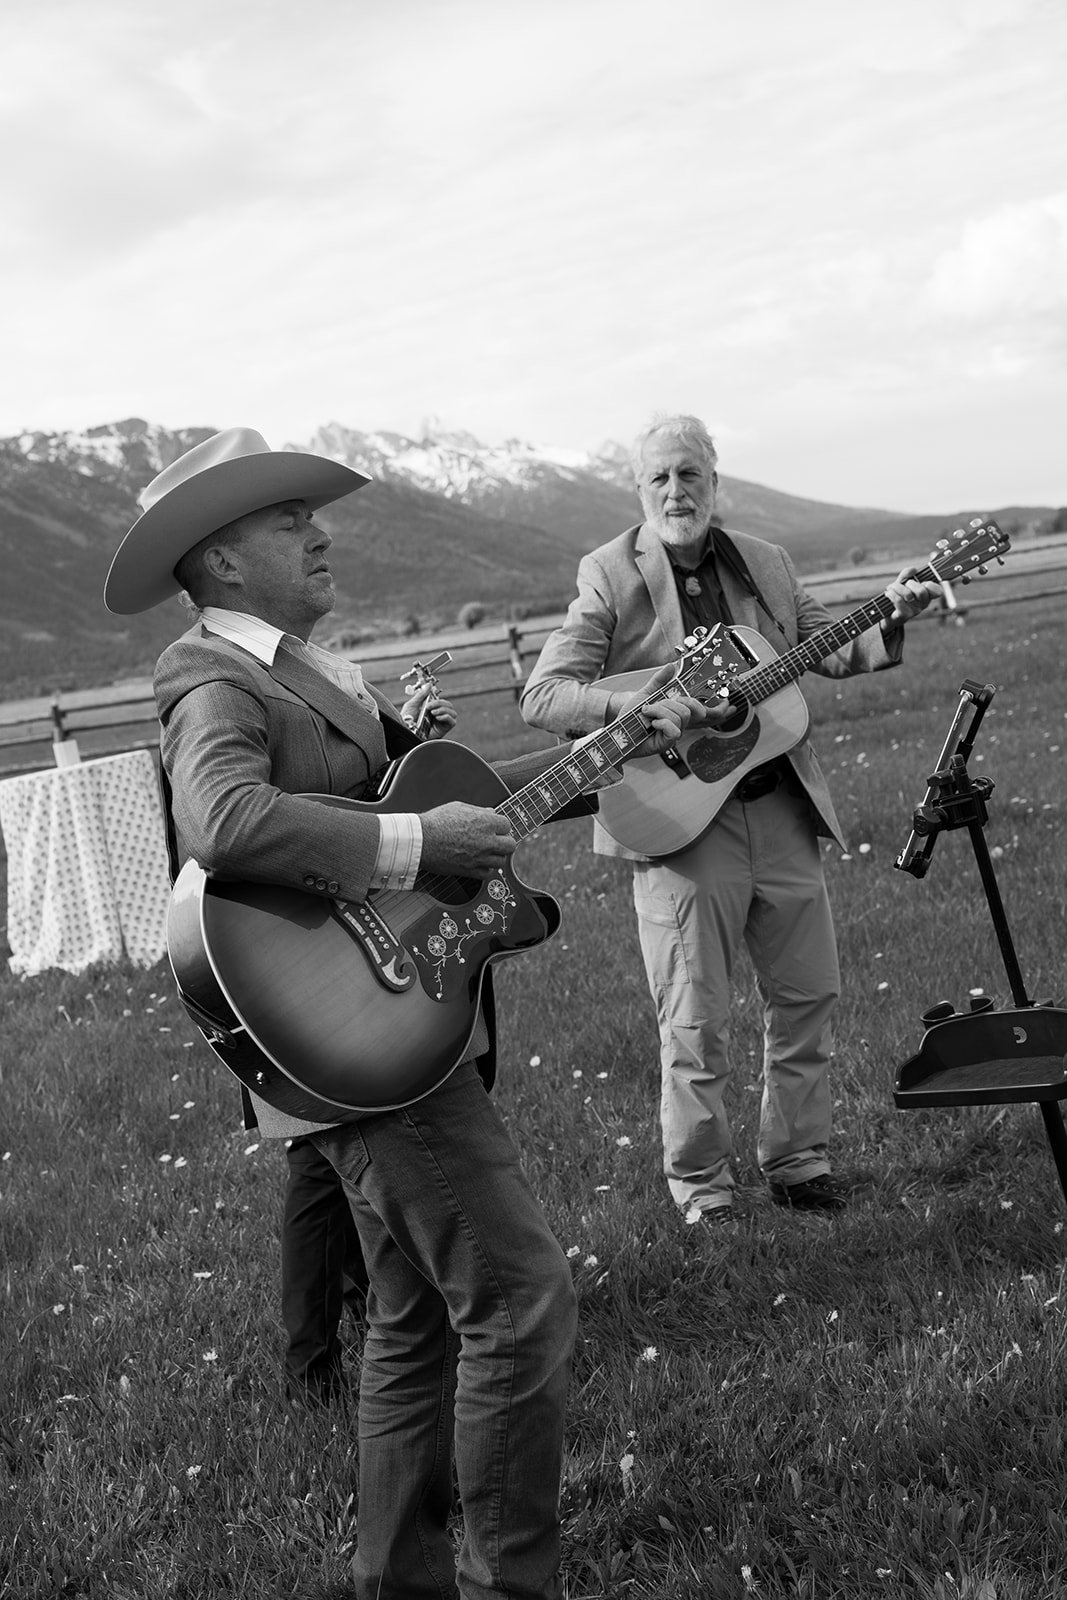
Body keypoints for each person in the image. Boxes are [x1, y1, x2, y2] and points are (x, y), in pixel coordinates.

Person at [102, 426, 701, 1600]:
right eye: (288, 521)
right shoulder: (210, 674)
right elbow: (221, 818)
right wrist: (415, 840)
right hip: (363, 1045)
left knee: (415, 1321)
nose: (318, 534)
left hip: (401, 1019)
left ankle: (401, 1582)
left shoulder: (306, 668)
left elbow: (440, 810)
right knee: (522, 1299)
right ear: (221, 560)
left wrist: (621, 740)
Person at [520, 413, 941, 1226]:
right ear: (639, 489)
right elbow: (544, 696)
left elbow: (831, 648)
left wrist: (893, 611)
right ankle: (703, 1188)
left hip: (776, 805)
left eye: (690, 475)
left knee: (808, 994)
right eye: (659, 478)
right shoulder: (609, 574)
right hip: (677, 822)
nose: (676, 492)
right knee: (694, 1019)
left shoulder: (766, 562)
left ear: (715, 480)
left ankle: (798, 1160)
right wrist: (643, 703)